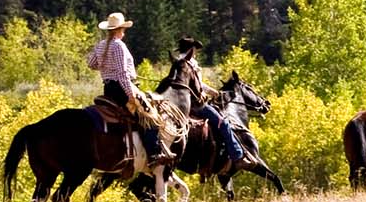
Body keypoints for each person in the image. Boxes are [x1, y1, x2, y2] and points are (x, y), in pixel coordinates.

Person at [86, 12, 173, 166]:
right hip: (121, 88)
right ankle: (153, 154)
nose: (124, 32)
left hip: (108, 89)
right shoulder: (119, 45)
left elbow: (92, 64)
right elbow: (122, 75)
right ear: (119, 30)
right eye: (123, 29)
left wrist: (105, 66)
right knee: (150, 116)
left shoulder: (100, 45)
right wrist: (130, 94)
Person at [170, 36, 246, 174]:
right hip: (195, 105)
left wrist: (212, 91)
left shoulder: (177, 62)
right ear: (191, 50)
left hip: (179, 104)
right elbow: (197, 85)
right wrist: (208, 93)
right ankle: (237, 155)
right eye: (195, 49)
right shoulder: (189, 63)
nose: (196, 52)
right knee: (222, 123)